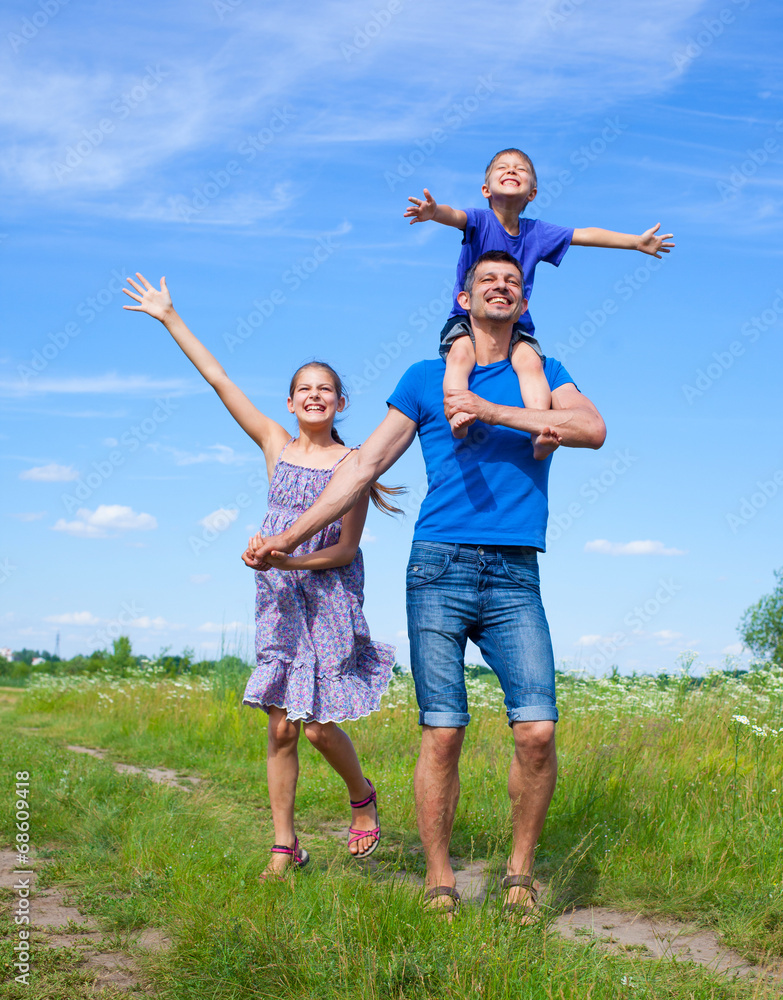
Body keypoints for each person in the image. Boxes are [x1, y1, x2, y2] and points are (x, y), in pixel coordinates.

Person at [244, 251, 607, 916]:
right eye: (487, 281)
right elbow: (363, 466)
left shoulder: (546, 375)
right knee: (444, 731)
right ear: (464, 301)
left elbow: (591, 429)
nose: (500, 288)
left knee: (538, 732)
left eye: (513, 283)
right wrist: (289, 539)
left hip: (515, 573)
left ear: (523, 306)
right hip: (437, 567)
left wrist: (492, 412)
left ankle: (519, 874)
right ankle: (440, 879)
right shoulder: (423, 378)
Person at [123, 273, 399, 877]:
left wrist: (289, 557)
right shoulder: (275, 444)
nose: (315, 396)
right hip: (278, 599)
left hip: (327, 597)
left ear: (341, 403)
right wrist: (170, 318)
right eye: (304, 389)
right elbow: (220, 380)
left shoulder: (355, 465)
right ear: (291, 402)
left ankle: (362, 796)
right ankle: (285, 845)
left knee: (323, 728)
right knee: (280, 728)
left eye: (326, 389)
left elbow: (346, 552)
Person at [404, 147, 671, 456]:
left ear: (532, 192)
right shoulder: (479, 221)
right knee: (460, 353)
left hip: (515, 324)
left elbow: (585, 234)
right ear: (485, 190)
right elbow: (454, 216)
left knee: (530, 364)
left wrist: (636, 242)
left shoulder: (537, 232)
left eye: (521, 169)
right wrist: (433, 213)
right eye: (502, 167)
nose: (512, 170)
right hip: (467, 319)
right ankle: (457, 410)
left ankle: (540, 433)